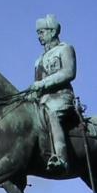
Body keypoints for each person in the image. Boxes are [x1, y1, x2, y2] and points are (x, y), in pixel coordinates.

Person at [27, 14, 76, 171]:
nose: (39, 36)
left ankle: (61, 157)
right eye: (38, 33)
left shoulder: (65, 49)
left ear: (52, 31)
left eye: (41, 32)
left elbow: (69, 72)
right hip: (42, 101)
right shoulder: (38, 60)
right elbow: (37, 86)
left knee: (51, 113)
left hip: (61, 97)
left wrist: (43, 83)